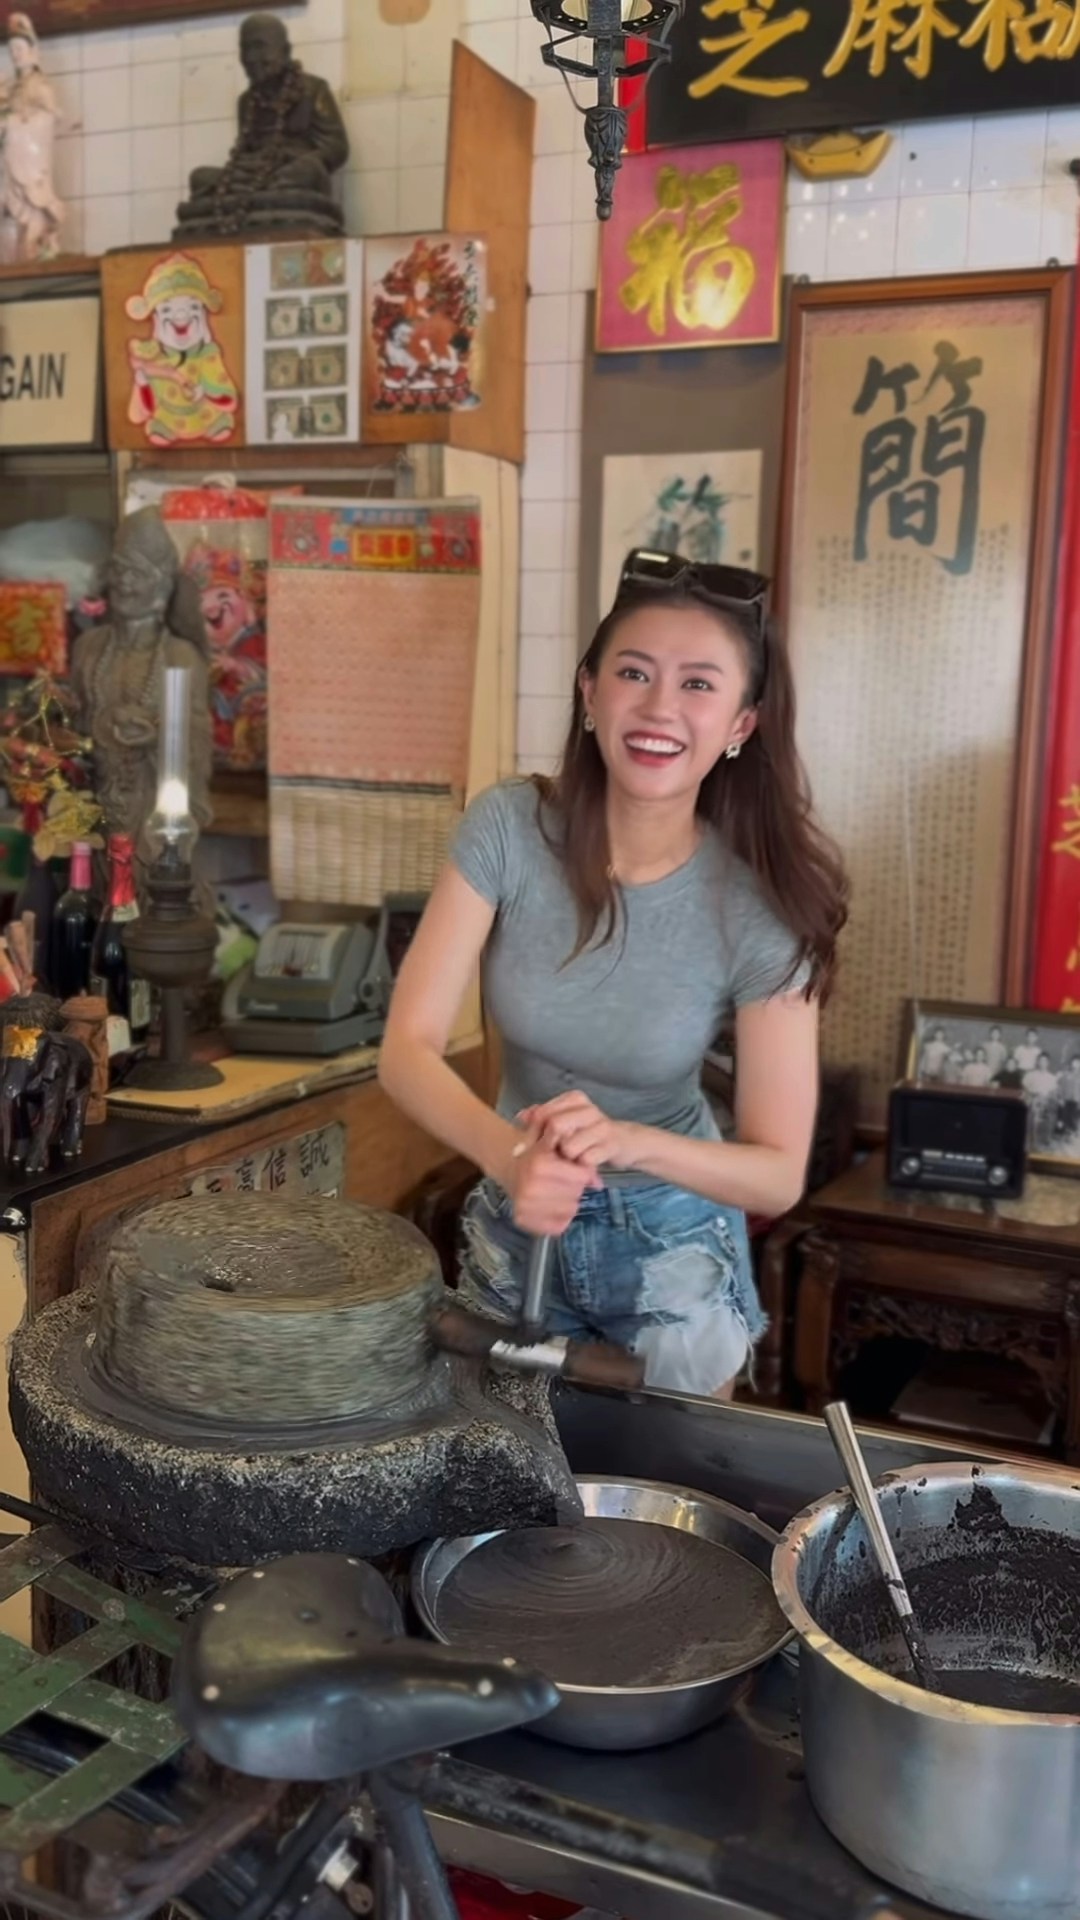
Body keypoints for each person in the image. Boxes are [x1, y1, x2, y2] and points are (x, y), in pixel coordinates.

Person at [379, 550, 847, 1397]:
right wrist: (511, 1156)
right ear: (589, 692)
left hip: (671, 1249)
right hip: (518, 1216)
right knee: (494, 1468)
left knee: (663, 1480)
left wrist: (625, 1141)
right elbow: (406, 1049)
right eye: (634, 673)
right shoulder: (508, 827)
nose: (660, 707)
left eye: (699, 684)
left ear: (742, 724)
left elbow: (778, 1171)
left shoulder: (762, 908)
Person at [0, 14, 62, 264]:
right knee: (12, 217)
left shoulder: (41, 86)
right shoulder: (11, 88)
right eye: (12, 50)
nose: (16, 55)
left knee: (34, 212)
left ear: (33, 51)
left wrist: (14, 125)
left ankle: (40, 244)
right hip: (11, 165)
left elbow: (51, 118)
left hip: (30, 165)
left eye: (20, 49)